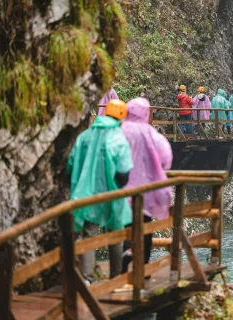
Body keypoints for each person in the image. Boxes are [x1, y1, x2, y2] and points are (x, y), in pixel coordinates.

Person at [67, 99, 133, 285]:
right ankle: (116, 277)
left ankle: (86, 279)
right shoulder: (119, 139)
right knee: (116, 233)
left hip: (85, 194)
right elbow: (123, 174)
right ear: (121, 118)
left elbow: (71, 164)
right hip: (111, 194)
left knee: (89, 233)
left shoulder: (85, 136)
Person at [120, 97, 173, 273]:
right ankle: (141, 268)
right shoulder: (151, 134)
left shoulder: (119, 131)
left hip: (121, 193)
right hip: (145, 193)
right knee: (145, 228)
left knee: (125, 228)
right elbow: (166, 158)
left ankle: (125, 261)